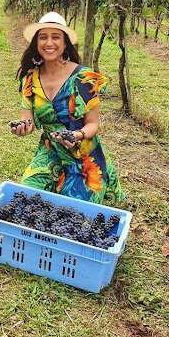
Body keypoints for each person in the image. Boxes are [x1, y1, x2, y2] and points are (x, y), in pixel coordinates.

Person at [9, 12, 124, 204]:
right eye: (43, 37)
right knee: (25, 200)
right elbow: (28, 120)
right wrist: (22, 128)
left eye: (56, 37)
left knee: (74, 211)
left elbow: (93, 125)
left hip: (83, 155)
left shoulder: (83, 78)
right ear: (36, 43)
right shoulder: (30, 79)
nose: (49, 43)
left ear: (65, 44)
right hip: (49, 152)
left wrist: (76, 135)